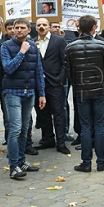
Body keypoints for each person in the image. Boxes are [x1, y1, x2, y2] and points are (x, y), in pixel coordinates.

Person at [65, 15, 104, 172]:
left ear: (79, 28)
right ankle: (101, 161)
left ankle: (86, 162)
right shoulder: (102, 45)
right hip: (99, 90)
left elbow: (69, 71)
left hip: (81, 91)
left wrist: (76, 85)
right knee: (99, 125)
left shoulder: (70, 47)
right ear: (94, 27)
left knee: (85, 126)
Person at [1, 18, 47, 180]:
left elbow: (38, 71)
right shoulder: (6, 46)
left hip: (29, 93)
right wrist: (21, 52)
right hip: (13, 91)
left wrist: (42, 94)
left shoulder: (33, 46)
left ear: (29, 30)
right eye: (16, 28)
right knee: (15, 128)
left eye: (22, 28)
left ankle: (22, 161)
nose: (18, 30)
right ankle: (13, 166)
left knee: (25, 128)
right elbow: (8, 69)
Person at [33, 18, 70, 155]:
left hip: (55, 83)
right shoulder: (31, 42)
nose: (41, 27)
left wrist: (61, 78)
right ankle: (47, 139)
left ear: (49, 27)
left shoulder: (59, 41)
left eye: (44, 24)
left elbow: (65, 61)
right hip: (38, 84)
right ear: (35, 28)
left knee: (58, 113)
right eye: (39, 25)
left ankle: (61, 142)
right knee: (42, 113)